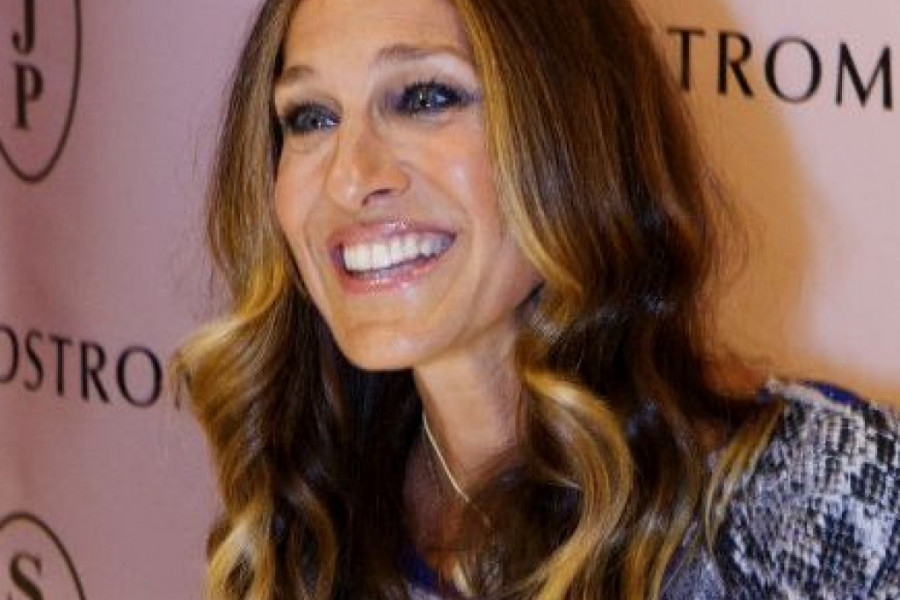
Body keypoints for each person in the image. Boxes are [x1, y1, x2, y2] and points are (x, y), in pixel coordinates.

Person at [173, 0, 900, 598]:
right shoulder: (309, 515)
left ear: (572, 136)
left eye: (426, 98)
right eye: (310, 117)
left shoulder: (820, 497)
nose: (350, 177)